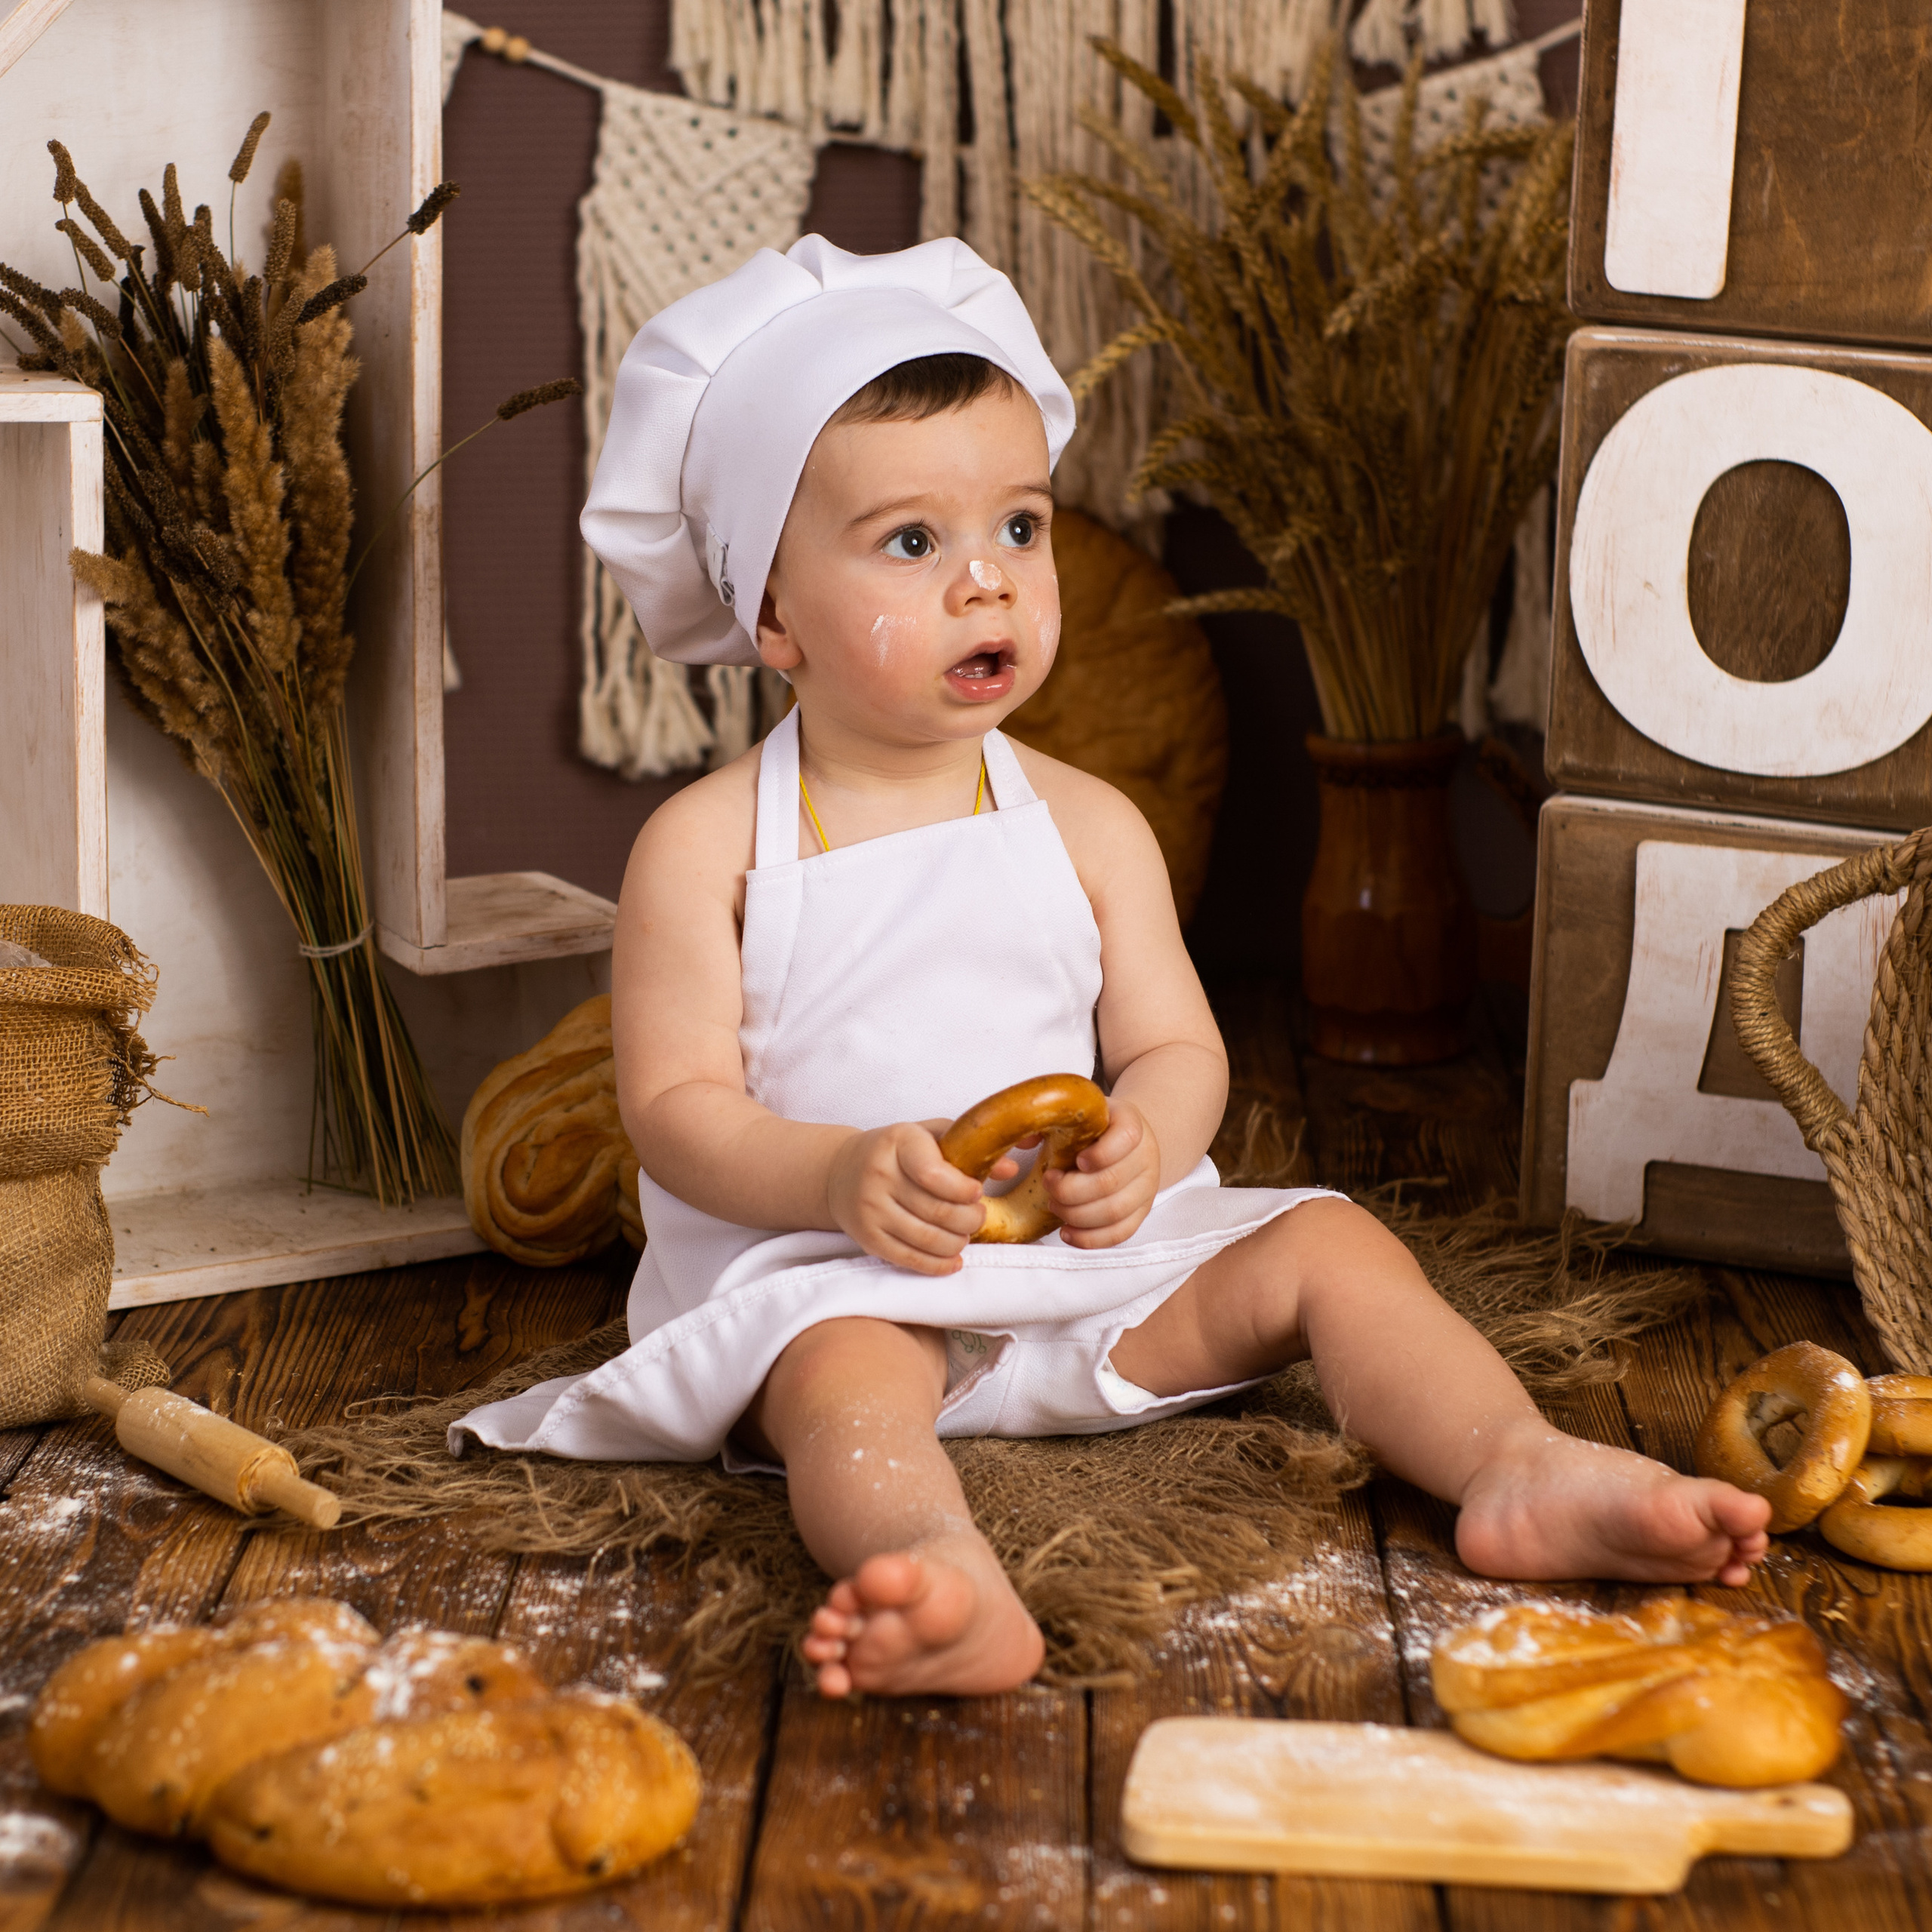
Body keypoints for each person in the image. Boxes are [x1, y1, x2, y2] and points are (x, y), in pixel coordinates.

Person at [454, 236, 1771, 1699]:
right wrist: (836, 1176)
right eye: (910, 543)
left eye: (1019, 527)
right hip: (840, 1275)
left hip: (1080, 1273)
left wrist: (1146, 1137)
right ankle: (937, 1565)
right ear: (770, 611)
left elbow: (1173, 1048)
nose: (987, 583)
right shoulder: (705, 847)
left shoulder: (1086, 822)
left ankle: (1514, 1462)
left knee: (1333, 1248)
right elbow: (674, 1110)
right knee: (842, 1391)